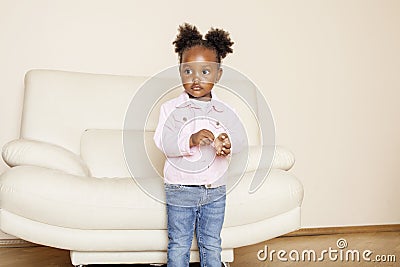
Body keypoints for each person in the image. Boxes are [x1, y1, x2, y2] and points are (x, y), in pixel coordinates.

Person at [153, 23, 245, 267]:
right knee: (180, 243)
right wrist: (190, 140)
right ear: (180, 71)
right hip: (181, 188)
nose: (196, 79)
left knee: (212, 243)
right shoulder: (170, 109)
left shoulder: (227, 111)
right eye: (188, 71)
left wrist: (227, 143)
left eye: (205, 72)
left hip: (215, 189)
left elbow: (240, 141)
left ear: (218, 74)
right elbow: (162, 142)